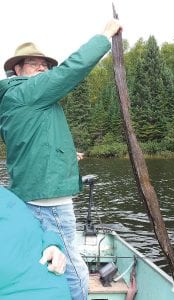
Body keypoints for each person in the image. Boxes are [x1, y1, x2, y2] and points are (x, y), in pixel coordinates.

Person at [0, 19, 121, 300]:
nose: (43, 68)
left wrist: (66, 157)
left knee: (44, 258)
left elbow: (28, 145)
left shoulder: (15, 99)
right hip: (49, 201)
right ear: (17, 70)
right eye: (34, 63)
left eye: (45, 64)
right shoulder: (26, 91)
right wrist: (104, 36)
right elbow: (71, 70)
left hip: (29, 195)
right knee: (72, 266)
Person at [0, 186, 72, 300]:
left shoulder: (8, 197)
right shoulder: (9, 197)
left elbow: (36, 226)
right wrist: (53, 244)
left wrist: (52, 245)